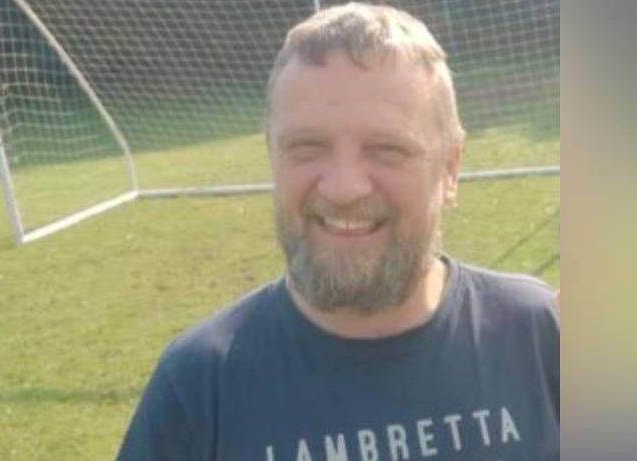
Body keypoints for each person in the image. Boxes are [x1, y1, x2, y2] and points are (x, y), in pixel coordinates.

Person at [115, 3, 559, 461]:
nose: (344, 188)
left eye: (386, 149)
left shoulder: (542, 336)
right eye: (307, 147)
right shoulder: (198, 386)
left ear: (450, 168)